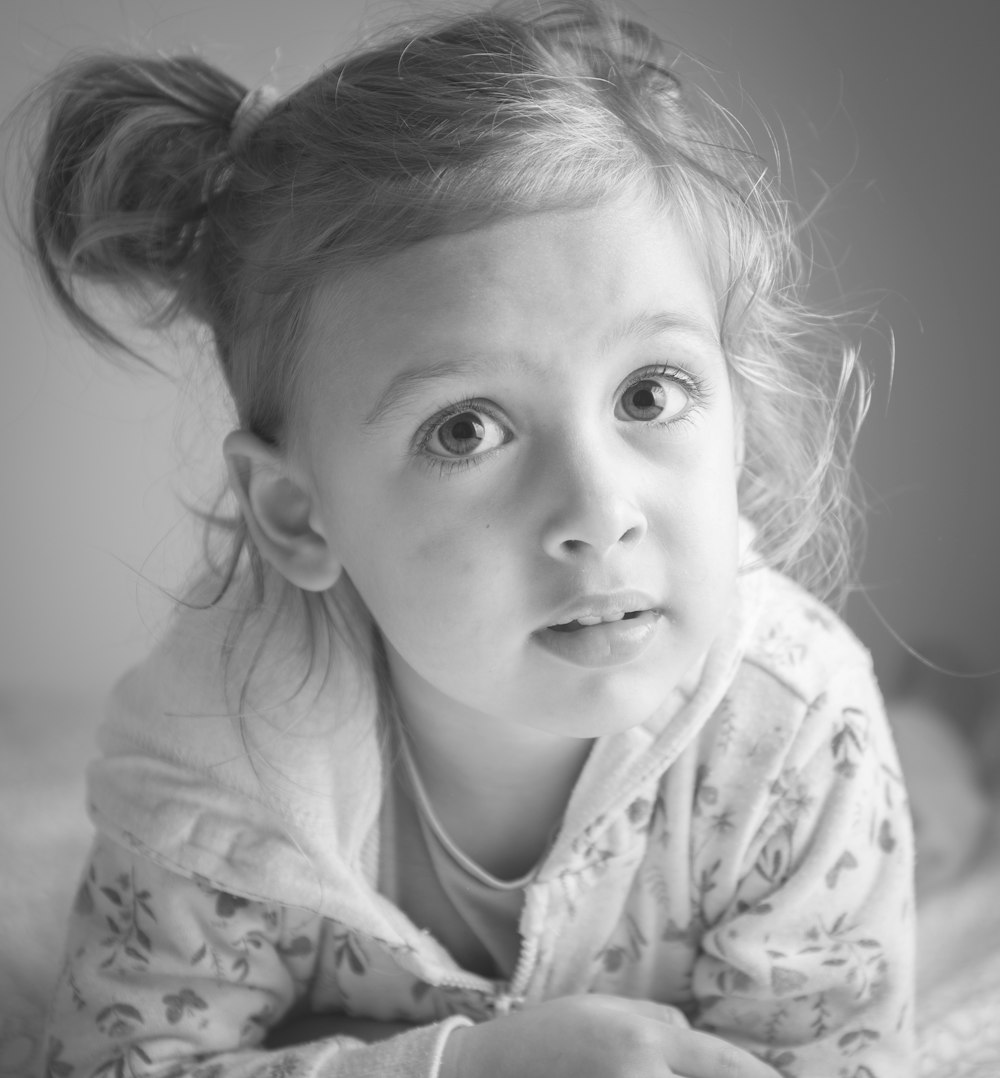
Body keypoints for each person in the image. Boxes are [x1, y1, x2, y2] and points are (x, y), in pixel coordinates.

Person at [21, 1, 914, 1075]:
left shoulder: (799, 733)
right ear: (301, 515)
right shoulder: (222, 765)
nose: (598, 511)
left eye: (650, 391)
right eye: (465, 429)